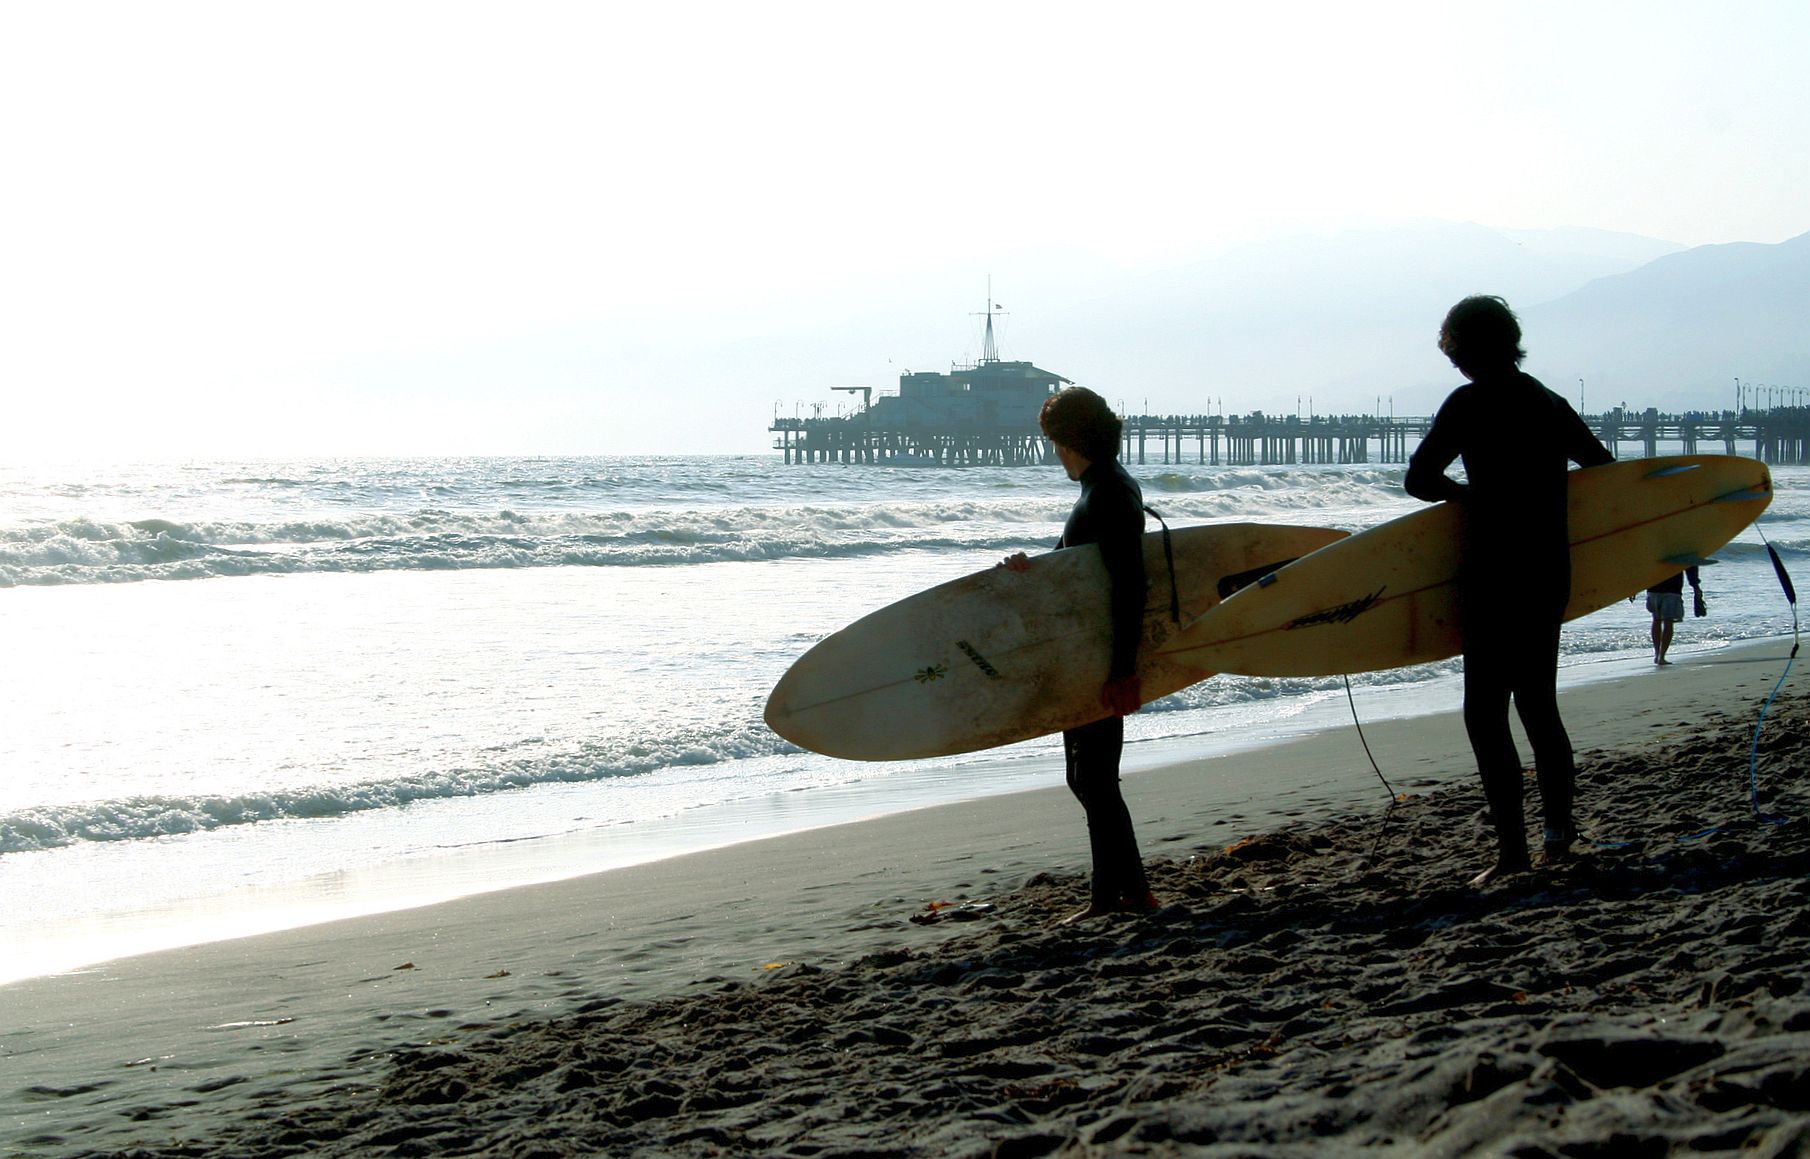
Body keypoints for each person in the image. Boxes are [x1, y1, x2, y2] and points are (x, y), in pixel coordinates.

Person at [1404, 296, 1614, 887]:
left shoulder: (1469, 404)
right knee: (1540, 706)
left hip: (1493, 572)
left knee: (1485, 713)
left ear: (1464, 347)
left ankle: (1512, 853)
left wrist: (1466, 498)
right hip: (1547, 569)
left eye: (1453, 349)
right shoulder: (1548, 402)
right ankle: (1557, 837)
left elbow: (1418, 479)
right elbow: (1604, 471)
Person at [1002, 386, 1157, 922]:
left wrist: (1122, 671)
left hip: (1099, 655)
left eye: (1054, 442)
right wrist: (1035, 567)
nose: (1054, 453)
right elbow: (1082, 571)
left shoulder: (1108, 494)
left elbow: (1129, 585)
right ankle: (1122, 893)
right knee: (1088, 778)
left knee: (1093, 778)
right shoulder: (1107, 486)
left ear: (1069, 440)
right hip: (1087, 652)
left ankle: (1120, 896)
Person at [1646, 565, 1705, 665]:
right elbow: (1690, 565)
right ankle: (1661, 657)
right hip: (1672, 589)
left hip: (1653, 587)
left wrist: (1634, 587)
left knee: (1656, 620)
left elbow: (1641, 565)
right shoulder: (1679, 549)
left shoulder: (1651, 549)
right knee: (1668, 622)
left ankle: (1657, 655)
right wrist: (1695, 586)